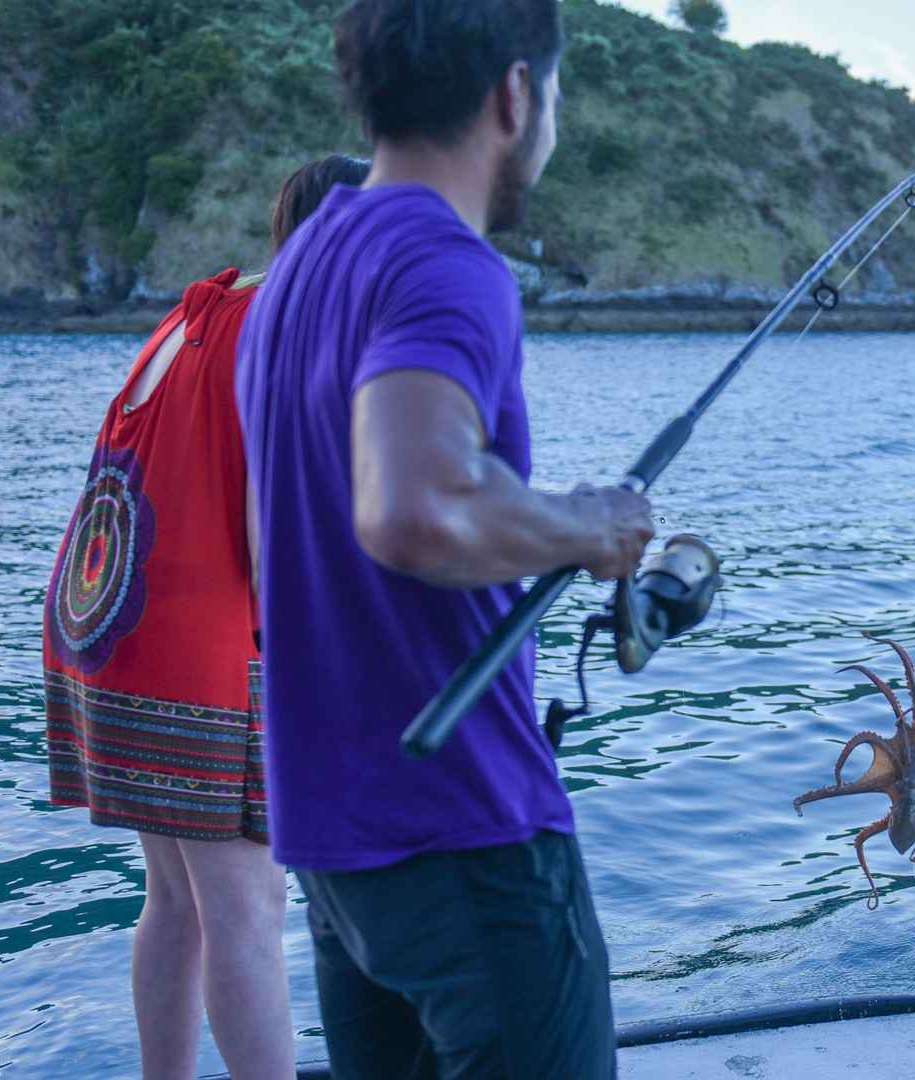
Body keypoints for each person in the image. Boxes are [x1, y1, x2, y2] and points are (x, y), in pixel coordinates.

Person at [233, 1, 654, 1076]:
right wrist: (589, 527)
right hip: (463, 833)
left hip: (337, 850)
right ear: (516, 96)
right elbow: (414, 506)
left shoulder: (296, 274)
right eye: (550, 98)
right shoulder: (446, 262)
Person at [43, 154, 371, 1080]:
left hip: (105, 626)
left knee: (178, 902)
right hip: (191, 646)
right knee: (248, 910)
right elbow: (277, 538)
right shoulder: (287, 332)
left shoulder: (199, 314)